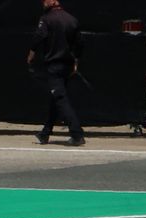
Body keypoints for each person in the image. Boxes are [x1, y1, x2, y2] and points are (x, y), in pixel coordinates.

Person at [28, 0, 84, 146]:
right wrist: (76, 61)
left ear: (53, 2)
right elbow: (79, 43)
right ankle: (45, 133)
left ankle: (77, 134)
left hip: (54, 65)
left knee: (60, 98)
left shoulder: (46, 19)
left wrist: (32, 53)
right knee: (56, 98)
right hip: (67, 65)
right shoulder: (72, 20)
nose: (43, 3)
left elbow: (39, 36)